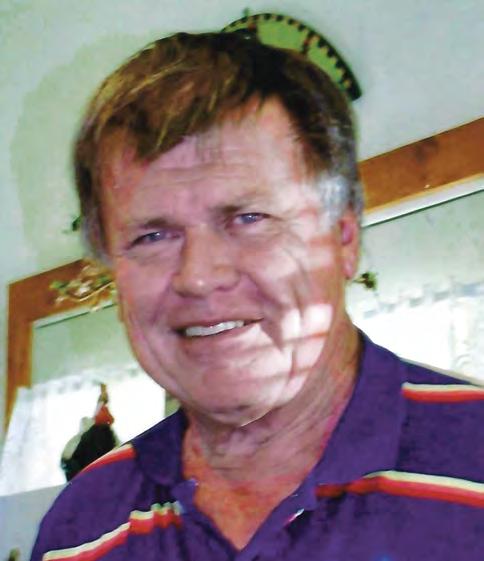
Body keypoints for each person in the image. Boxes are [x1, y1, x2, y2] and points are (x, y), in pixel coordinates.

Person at [31, 32, 484, 561]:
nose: (199, 277)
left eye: (249, 217)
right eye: (152, 236)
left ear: (343, 239)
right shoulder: (78, 530)